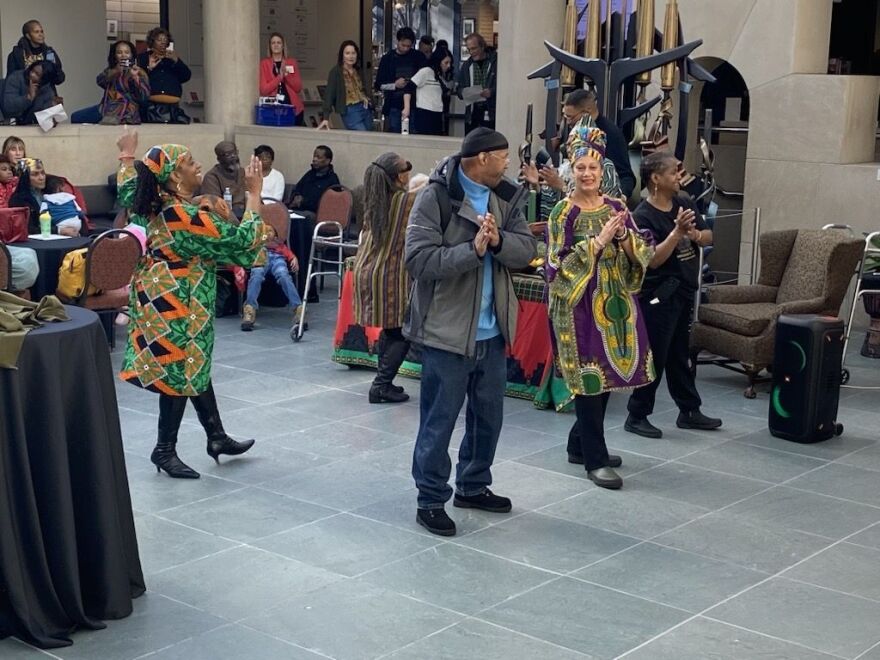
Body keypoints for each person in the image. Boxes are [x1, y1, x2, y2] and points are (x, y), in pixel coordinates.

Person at [115, 128, 271, 479]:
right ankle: (164, 450)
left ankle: (215, 435)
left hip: (168, 295)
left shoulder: (155, 203)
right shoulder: (181, 217)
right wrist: (255, 193)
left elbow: (129, 186)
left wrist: (127, 155)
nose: (197, 163)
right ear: (173, 176)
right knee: (179, 368)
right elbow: (244, 240)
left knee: (192, 363)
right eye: (188, 162)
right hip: (176, 302)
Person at [404, 128, 535, 536]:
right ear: (480, 159)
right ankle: (430, 498)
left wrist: (497, 243)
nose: (508, 163)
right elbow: (418, 260)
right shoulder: (436, 197)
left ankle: (473, 486)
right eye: (503, 156)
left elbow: (527, 250)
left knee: (488, 419)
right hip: (447, 332)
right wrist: (472, 251)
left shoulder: (507, 197)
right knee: (439, 420)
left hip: (492, 332)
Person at [546, 126, 655, 490]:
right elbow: (555, 266)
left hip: (618, 302)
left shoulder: (618, 207)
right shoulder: (563, 213)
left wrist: (623, 238)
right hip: (579, 306)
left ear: (602, 168)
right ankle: (595, 458)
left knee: (606, 376)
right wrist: (598, 242)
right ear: (570, 170)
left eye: (593, 167)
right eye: (580, 168)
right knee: (590, 379)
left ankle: (580, 444)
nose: (587, 174)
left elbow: (643, 251)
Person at [625, 151, 722, 437]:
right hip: (659, 294)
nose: (679, 176)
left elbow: (708, 237)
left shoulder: (684, 202)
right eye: (673, 172)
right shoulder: (642, 216)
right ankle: (637, 414)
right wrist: (677, 233)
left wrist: (693, 234)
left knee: (680, 354)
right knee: (655, 355)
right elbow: (652, 259)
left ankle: (689, 410)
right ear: (656, 178)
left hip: (683, 291)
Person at [354, 153, 414, 403]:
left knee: (391, 329)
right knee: (401, 330)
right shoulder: (405, 201)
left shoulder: (371, 198)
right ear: (399, 176)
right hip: (389, 273)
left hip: (366, 268)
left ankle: (384, 381)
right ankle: (381, 385)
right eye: (406, 169)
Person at [287, 145, 340, 301]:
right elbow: (298, 188)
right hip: (300, 212)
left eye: (319, 157)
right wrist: (296, 196)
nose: (314, 159)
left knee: (306, 219)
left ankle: (305, 285)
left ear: (328, 160)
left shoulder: (332, 179)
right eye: (314, 156)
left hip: (316, 219)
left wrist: (305, 200)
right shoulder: (310, 174)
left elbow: (326, 203)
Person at [374, 27, 425, 133]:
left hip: (415, 104)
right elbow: (378, 84)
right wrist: (394, 85)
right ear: (397, 41)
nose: (406, 48)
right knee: (394, 133)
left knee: (414, 134)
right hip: (394, 104)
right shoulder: (387, 59)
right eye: (403, 45)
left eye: (408, 46)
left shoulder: (418, 57)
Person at [137, 27, 192, 124]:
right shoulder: (143, 58)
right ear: (152, 42)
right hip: (151, 106)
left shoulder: (172, 58)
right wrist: (148, 68)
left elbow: (186, 76)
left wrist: (176, 60)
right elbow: (136, 79)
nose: (162, 42)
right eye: (159, 40)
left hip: (172, 106)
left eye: (165, 40)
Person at [318, 40, 373, 131]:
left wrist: (369, 101)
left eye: (353, 53)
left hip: (364, 107)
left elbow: (363, 89)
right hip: (350, 109)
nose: (351, 56)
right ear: (342, 56)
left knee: (370, 138)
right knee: (361, 135)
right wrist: (326, 117)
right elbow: (329, 94)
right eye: (347, 53)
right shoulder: (336, 72)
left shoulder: (358, 70)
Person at [97, 40, 150, 125]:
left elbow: (144, 96)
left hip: (129, 112)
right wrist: (116, 71)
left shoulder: (139, 72)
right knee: (77, 116)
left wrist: (135, 78)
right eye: (119, 52)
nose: (123, 55)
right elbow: (100, 81)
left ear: (131, 55)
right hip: (109, 109)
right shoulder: (111, 70)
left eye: (127, 52)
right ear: (115, 55)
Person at [5, 20, 65, 95]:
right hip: (26, 99)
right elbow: (11, 81)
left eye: (42, 31)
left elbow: (60, 77)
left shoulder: (49, 53)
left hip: (47, 97)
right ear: (28, 35)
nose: (41, 35)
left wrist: (53, 72)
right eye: (36, 32)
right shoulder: (16, 55)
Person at [258, 32, 304, 125]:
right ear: (270, 46)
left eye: (278, 43)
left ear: (283, 46)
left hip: (293, 109)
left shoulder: (291, 62)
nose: (276, 45)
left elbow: (298, 88)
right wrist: (280, 77)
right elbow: (264, 89)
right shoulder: (264, 64)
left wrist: (287, 76)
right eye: (273, 43)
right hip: (273, 110)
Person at [403, 50, 453, 136]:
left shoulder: (439, 76)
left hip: (437, 112)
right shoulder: (425, 71)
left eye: (450, 63)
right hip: (425, 112)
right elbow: (408, 88)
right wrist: (406, 108)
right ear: (438, 61)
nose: (448, 65)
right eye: (446, 62)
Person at [457, 33, 496, 133]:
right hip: (472, 112)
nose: (471, 52)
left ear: (482, 46)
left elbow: (504, 86)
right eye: (469, 49)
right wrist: (466, 93)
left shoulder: (495, 62)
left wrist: (491, 92)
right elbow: (459, 90)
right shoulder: (466, 66)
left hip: (491, 111)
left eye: (474, 48)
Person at [200, 141, 246, 218]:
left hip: (247, 215)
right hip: (228, 218)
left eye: (234, 152)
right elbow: (215, 207)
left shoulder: (243, 172)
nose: (233, 156)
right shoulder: (211, 177)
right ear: (219, 159)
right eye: (227, 155)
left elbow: (255, 197)